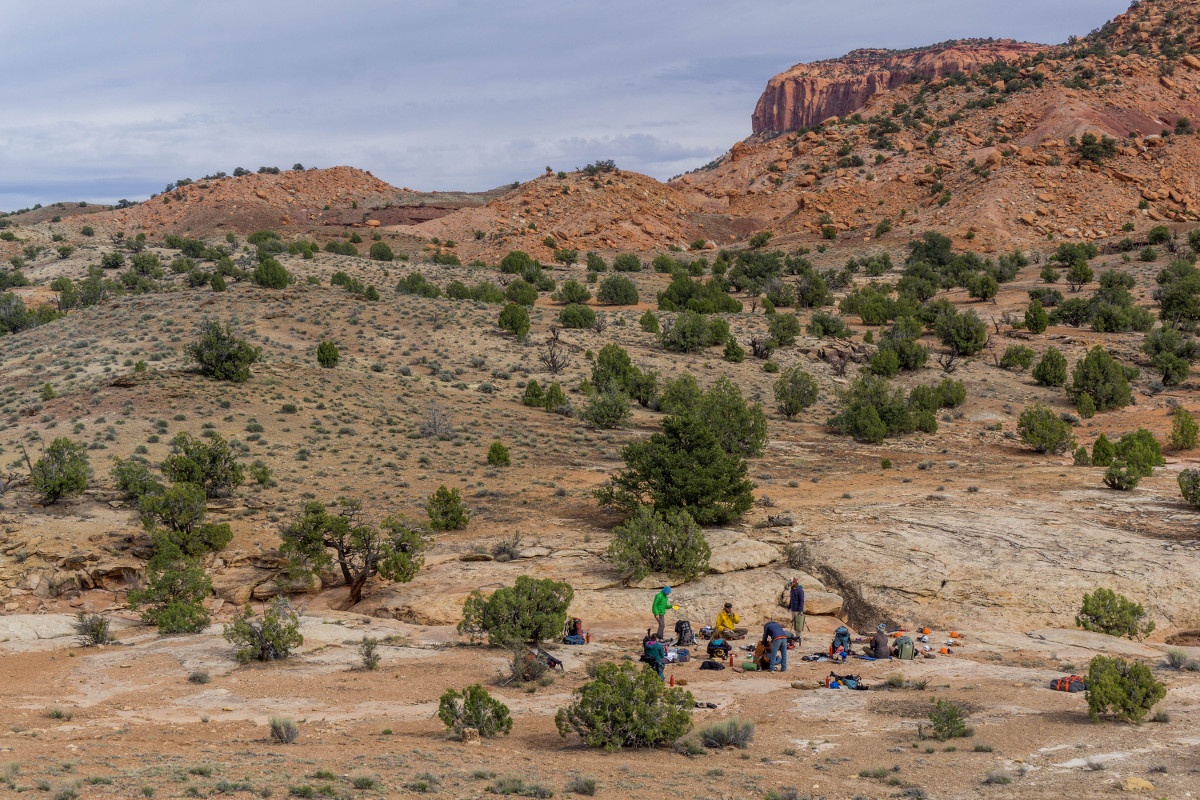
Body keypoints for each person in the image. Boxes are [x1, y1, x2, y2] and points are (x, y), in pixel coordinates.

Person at [787, 578, 805, 644]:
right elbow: (791, 599)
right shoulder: (792, 590)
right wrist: (789, 607)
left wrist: (800, 610)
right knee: (795, 623)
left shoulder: (800, 590)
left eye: (791, 583)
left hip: (798, 610)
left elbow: (801, 601)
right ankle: (797, 636)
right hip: (793, 609)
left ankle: (798, 636)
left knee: (798, 624)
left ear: (794, 583)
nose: (790, 585)